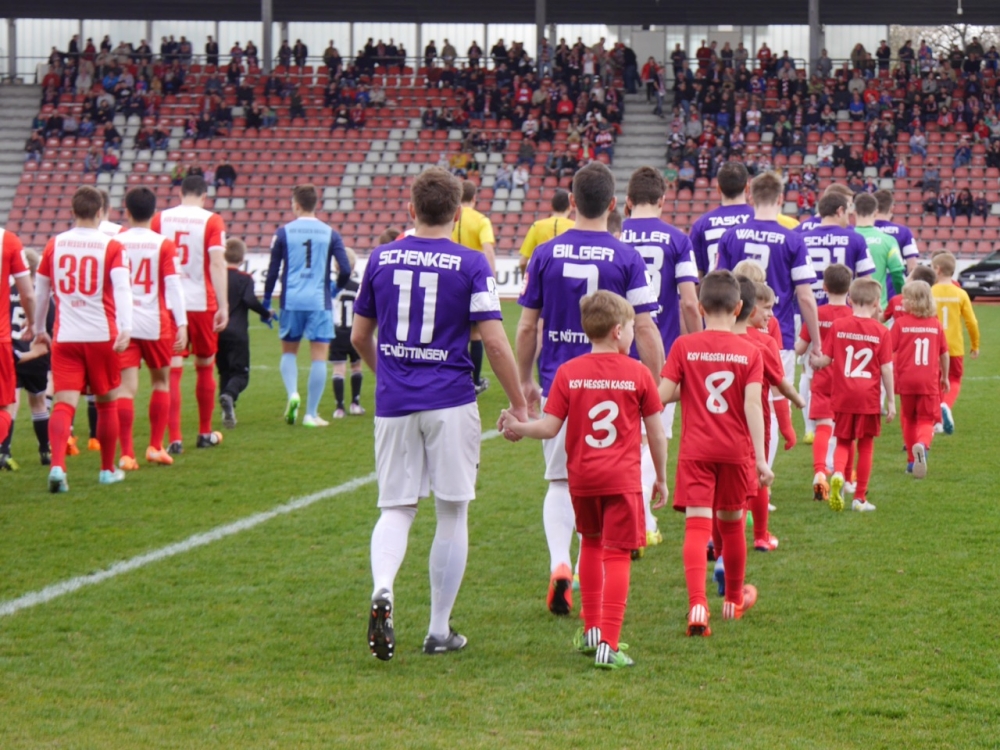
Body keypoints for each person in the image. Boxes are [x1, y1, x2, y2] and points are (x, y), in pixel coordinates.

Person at [350, 167, 527, 661]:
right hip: (450, 398)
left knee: (396, 508)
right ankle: (437, 629)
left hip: (395, 402)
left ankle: (383, 587)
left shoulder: (381, 257)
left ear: (411, 209)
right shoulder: (471, 263)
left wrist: (387, 375)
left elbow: (360, 336)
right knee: (451, 510)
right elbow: (494, 341)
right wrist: (518, 403)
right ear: (457, 214)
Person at [516, 162, 662, 617]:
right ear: (614, 204)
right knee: (608, 488)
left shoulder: (545, 252)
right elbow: (644, 327)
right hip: (616, 387)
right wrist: (655, 387)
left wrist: (524, 379)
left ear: (572, 202)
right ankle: (582, 571)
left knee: (561, 481)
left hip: (561, 380)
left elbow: (527, 326)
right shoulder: (627, 256)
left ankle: (559, 563)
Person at [500, 291, 666, 669]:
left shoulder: (568, 372)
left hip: (583, 478)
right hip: (622, 478)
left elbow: (548, 428)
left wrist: (517, 425)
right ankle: (610, 642)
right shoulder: (638, 373)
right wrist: (660, 476)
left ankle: (591, 630)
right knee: (617, 553)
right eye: (630, 330)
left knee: (589, 544)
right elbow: (656, 433)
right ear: (619, 331)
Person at [659, 271, 770, 635]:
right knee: (732, 525)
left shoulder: (684, 346)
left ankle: (697, 605)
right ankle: (733, 601)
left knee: (697, 525)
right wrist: (760, 458)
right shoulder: (750, 352)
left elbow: (662, 396)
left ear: (701, 308)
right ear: (739, 308)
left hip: (697, 450)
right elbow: (753, 405)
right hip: (735, 450)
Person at [620, 167, 701, 549]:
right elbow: (689, 301)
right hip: (660, 352)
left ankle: (625, 515)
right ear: (663, 200)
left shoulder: (614, 235)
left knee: (619, 437)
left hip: (616, 349)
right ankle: (644, 517)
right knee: (654, 435)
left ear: (628, 200)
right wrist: (698, 346)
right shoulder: (677, 239)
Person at [33, 186, 133, 492]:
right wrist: (126, 327)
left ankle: (58, 467)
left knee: (63, 404)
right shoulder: (112, 245)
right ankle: (106, 470)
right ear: (100, 212)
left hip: (66, 335)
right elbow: (122, 288)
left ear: (72, 211)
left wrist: (38, 328)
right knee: (106, 403)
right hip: (102, 334)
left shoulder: (55, 244)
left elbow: (41, 292)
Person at [716, 172, 822, 449]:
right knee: (770, 405)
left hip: (734, 332)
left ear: (750, 197)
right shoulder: (792, 240)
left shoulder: (731, 236)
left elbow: (718, 287)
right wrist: (817, 342)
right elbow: (805, 297)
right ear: (781, 199)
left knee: (731, 403)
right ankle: (762, 471)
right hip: (776, 332)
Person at [150, 174, 229, 454]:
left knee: (172, 370)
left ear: (180, 193)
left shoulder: (160, 219)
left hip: (170, 304)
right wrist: (224, 305)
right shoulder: (212, 221)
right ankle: (204, 432)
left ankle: (175, 438)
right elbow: (217, 263)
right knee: (205, 365)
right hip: (201, 302)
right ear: (204, 196)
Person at [263, 184, 352, 428]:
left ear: (296, 204)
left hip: (291, 300)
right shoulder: (330, 233)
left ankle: (293, 393)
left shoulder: (283, 233)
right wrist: (334, 288)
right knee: (319, 358)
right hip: (319, 301)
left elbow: (272, 271)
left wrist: (266, 301)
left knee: (289, 353)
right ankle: (310, 414)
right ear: (315, 204)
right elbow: (345, 269)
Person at [114, 187, 189, 469]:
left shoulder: (115, 242)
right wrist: (182, 322)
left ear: (127, 211)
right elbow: (174, 286)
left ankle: (127, 454)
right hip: (156, 324)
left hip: (124, 324)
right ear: (154, 213)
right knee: (161, 382)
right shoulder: (164, 244)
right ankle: (156, 447)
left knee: (125, 388)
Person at [809, 278, 894, 512]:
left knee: (843, 440)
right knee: (866, 445)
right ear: (877, 303)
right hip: (868, 397)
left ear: (850, 299)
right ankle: (859, 498)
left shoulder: (839, 326)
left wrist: (815, 362)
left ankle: (838, 473)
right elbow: (887, 368)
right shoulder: (881, 331)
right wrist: (891, 401)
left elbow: (826, 360)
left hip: (843, 395)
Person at [734, 276, 804, 552]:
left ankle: (719, 539)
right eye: (767, 308)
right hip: (756, 420)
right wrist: (797, 401)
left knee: (727, 481)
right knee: (759, 477)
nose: (772, 315)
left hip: (723, 421)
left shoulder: (718, 339)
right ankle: (760, 536)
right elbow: (780, 385)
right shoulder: (764, 344)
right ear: (751, 309)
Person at [794, 264, 854, 503]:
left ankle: (820, 471)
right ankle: (843, 475)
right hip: (847, 381)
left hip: (821, 378)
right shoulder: (853, 316)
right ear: (849, 288)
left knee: (822, 427)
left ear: (825, 287)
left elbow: (800, 347)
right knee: (845, 433)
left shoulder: (816, 314)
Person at [892, 281, 948, 479]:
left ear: (913, 302)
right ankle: (922, 446)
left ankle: (911, 461)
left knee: (909, 418)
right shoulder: (935, 324)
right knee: (926, 419)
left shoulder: (901, 324)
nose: (902, 302)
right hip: (928, 382)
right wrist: (945, 377)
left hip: (906, 380)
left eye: (905, 298)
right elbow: (944, 353)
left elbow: (888, 349)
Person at [217, 238, 273, 429]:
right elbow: (249, 300)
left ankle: (227, 411)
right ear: (242, 258)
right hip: (237, 333)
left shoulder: (218, 276)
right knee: (241, 374)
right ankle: (229, 396)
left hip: (218, 331)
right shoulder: (245, 278)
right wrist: (266, 313)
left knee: (224, 371)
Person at [2, 249, 50, 470]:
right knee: (38, 402)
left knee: (11, 403)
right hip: (35, 353)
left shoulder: (7, 291)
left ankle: (5, 451)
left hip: (11, 353)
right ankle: (45, 450)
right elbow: (49, 323)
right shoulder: (40, 294)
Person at [451, 180, 496, 395]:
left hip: (451, 279)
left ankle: (453, 379)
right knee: (476, 333)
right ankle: (475, 381)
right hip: (473, 280)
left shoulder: (450, 217)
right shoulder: (481, 220)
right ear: (474, 198)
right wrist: (491, 280)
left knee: (452, 331)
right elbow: (488, 250)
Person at [931, 252, 980, 434]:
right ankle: (945, 405)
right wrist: (975, 345)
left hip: (933, 346)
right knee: (954, 379)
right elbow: (972, 322)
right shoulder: (960, 293)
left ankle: (937, 420)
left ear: (938, 269)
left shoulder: (930, 292)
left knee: (935, 382)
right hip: (954, 347)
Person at [0, 227, 36, 471]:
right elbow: (28, 294)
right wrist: (32, 323)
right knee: (4, 405)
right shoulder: (8, 240)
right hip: (0, 338)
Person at [689, 161, 754, 277]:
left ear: (718, 188)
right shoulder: (758, 218)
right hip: (753, 287)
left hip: (715, 287)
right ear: (747, 187)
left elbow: (696, 275)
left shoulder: (701, 224)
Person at [328, 247, 363, 419]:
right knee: (356, 366)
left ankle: (339, 408)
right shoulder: (358, 288)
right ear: (354, 266)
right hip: (355, 332)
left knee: (338, 369)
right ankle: (355, 403)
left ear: (336, 266)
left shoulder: (331, 288)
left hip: (336, 333)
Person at [853, 193, 905, 307]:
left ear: (854, 212)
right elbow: (897, 274)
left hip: (851, 306)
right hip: (878, 307)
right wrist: (901, 297)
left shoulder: (848, 238)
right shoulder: (888, 240)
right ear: (876, 212)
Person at [518, 189, 575, 272]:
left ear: (551, 206)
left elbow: (523, 262)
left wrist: (525, 277)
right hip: (567, 275)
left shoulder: (537, 226)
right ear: (570, 207)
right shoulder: (575, 227)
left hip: (543, 274)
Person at [872, 189, 919, 274]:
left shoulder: (861, 231)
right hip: (894, 281)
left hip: (867, 281)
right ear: (892, 208)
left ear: (873, 207)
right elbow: (912, 267)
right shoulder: (904, 232)